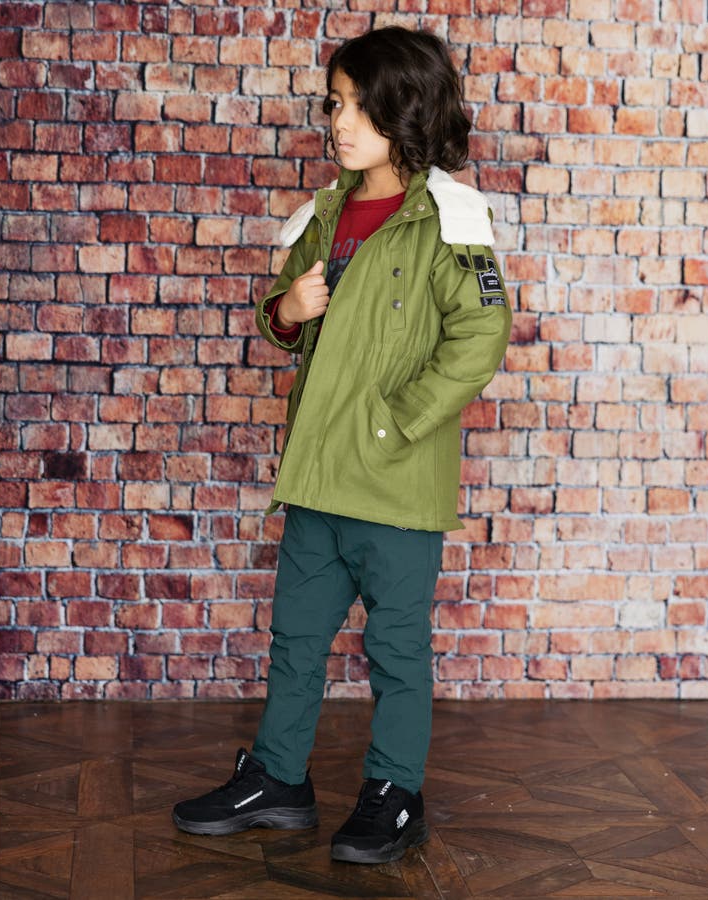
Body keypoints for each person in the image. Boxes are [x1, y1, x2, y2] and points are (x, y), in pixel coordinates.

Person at [173, 25, 513, 865]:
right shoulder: (326, 212)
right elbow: (286, 318)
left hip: (394, 485)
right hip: (318, 479)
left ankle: (395, 792)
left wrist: (399, 423)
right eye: (335, 104)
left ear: (409, 111)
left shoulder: (449, 219)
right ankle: (278, 779)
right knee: (294, 639)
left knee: (396, 650)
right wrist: (287, 311)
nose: (340, 122)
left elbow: (480, 336)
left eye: (360, 106)